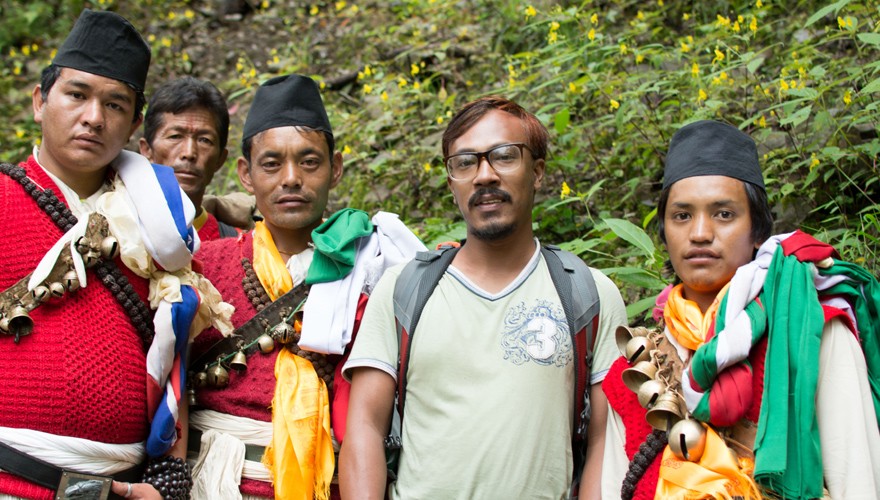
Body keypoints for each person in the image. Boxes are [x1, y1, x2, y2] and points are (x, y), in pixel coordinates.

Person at [338, 96, 628, 499]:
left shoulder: (588, 294)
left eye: (505, 156)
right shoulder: (403, 290)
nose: (484, 175)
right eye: (465, 162)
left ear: (538, 171)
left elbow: (604, 443)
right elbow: (365, 427)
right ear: (452, 181)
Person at [0, 8, 230, 500]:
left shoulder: (161, 226)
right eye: (77, 95)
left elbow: (174, 358)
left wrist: (168, 480)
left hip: (121, 487)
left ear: (133, 124)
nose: (93, 118)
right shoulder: (3, 198)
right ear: (41, 102)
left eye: (115, 105)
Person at [594, 120, 880, 499]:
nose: (700, 233)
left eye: (724, 214)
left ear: (758, 229)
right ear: (664, 231)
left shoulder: (815, 334)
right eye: (682, 216)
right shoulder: (637, 370)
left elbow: (858, 479)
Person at [188, 74, 424, 499]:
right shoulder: (205, 266)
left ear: (335, 169)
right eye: (272, 163)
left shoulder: (374, 267)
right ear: (245, 173)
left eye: (309, 161)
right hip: (217, 484)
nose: (292, 178)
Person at [139, 76, 253, 241]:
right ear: (146, 150)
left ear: (220, 159)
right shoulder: (115, 232)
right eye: (175, 136)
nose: (189, 153)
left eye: (204, 140)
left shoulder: (240, 247)